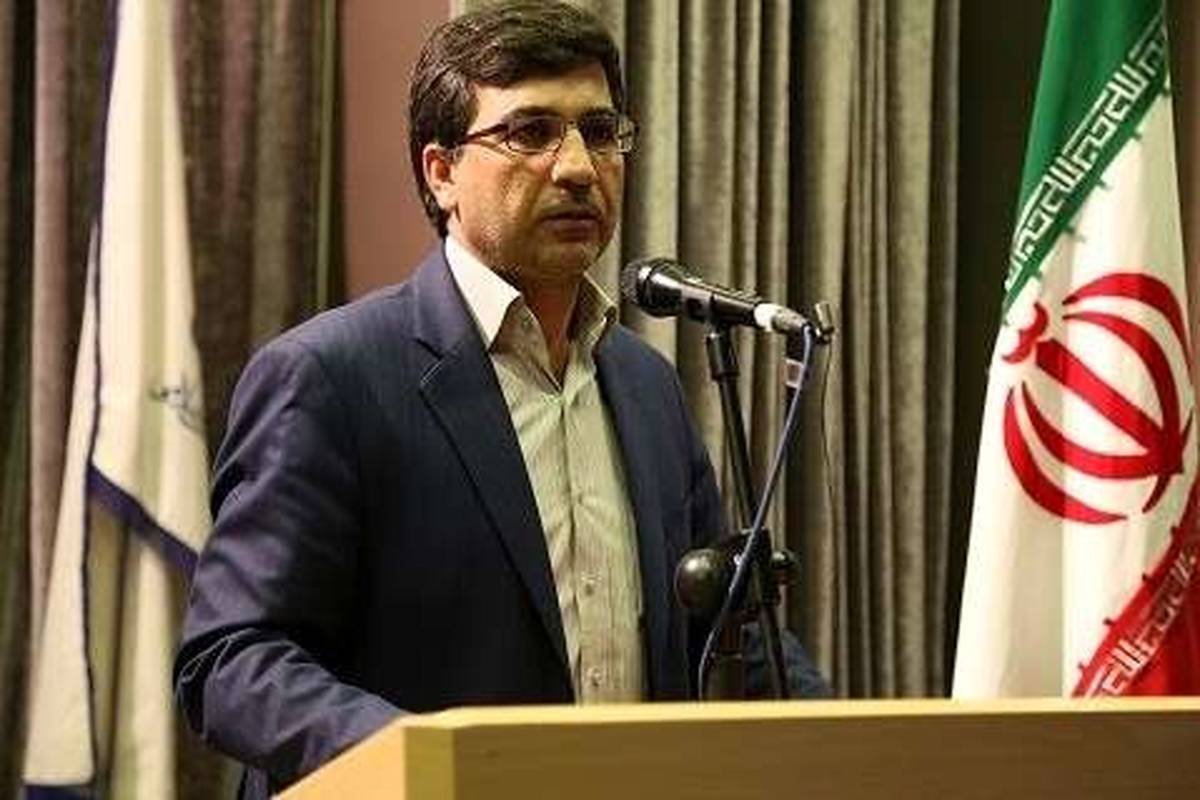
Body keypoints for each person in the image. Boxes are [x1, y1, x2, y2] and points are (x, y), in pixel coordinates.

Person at [174, 3, 827, 797]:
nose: (578, 166)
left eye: (599, 131)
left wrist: (854, 744)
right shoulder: (329, 377)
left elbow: (724, 634)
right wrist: (433, 763)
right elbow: (232, 661)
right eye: (531, 132)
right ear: (441, 172)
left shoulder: (646, 386)